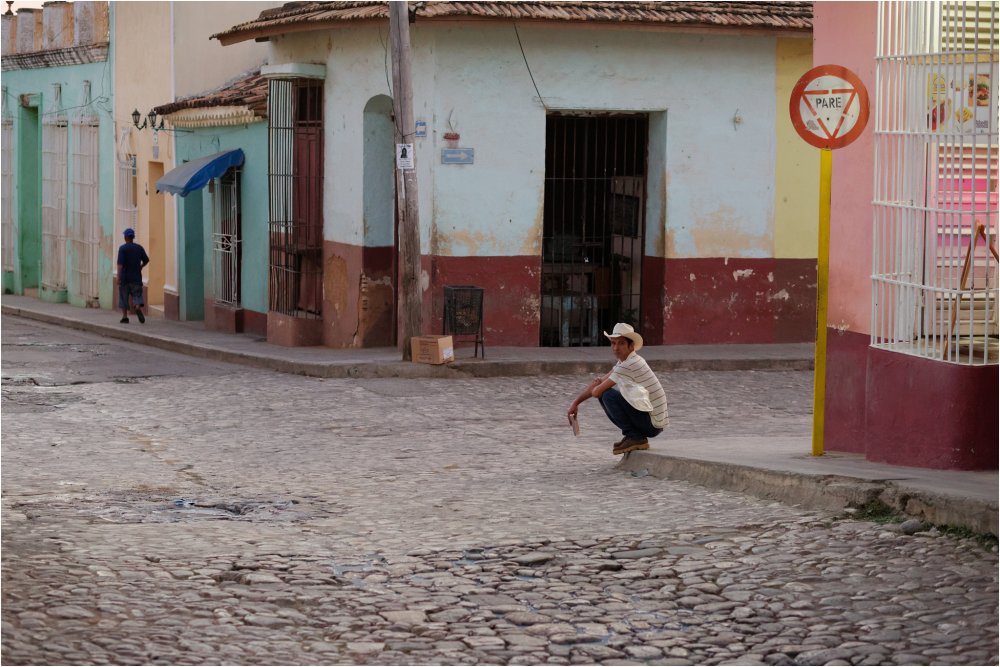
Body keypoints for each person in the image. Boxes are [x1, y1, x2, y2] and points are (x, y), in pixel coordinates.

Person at [567, 323, 669, 456]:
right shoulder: (625, 362)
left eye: (621, 343)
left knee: (607, 395)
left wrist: (597, 386)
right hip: (652, 422)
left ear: (631, 346)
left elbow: (596, 391)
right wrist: (576, 403)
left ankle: (635, 436)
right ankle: (634, 435)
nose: (616, 348)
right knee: (604, 392)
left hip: (652, 424)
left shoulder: (629, 364)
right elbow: (599, 383)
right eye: (613, 343)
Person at [117, 228, 149, 324]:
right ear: (133, 237)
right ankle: (137, 306)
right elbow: (146, 260)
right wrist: (141, 266)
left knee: (124, 297)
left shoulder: (122, 248)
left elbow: (120, 265)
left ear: (125, 237)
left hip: (125, 278)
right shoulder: (139, 248)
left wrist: (118, 277)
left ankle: (125, 317)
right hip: (136, 277)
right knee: (137, 294)